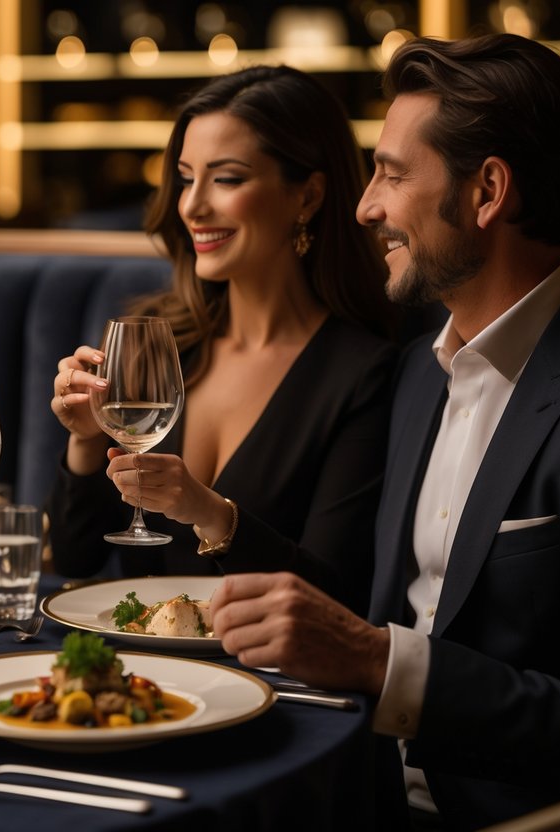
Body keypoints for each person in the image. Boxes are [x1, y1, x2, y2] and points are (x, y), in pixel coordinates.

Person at [210, 34, 560, 830]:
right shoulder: (418, 370)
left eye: (390, 173)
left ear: (486, 192)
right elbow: (351, 609)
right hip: (340, 785)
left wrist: (383, 665)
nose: (364, 207)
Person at [47, 65, 397, 612]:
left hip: (271, 683)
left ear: (307, 195)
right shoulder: (158, 346)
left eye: (227, 179)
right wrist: (86, 439)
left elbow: (335, 598)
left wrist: (209, 512)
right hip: (139, 675)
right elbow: (75, 560)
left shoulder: (363, 372)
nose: (192, 205)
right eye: (186, 178)